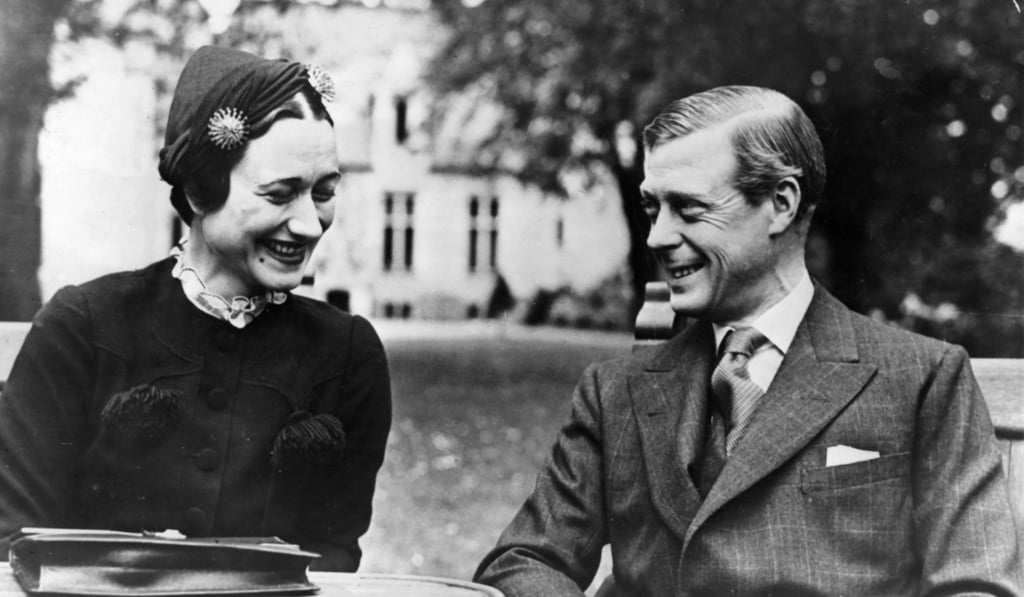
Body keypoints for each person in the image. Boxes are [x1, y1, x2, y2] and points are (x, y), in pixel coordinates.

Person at [474, 86, 1021, 595]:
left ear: (781, 203)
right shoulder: (614, 391)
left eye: (688, 209)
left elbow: (974, 583)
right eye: (652, 208)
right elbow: (525, 558)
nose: (658, 236)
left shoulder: (922, 379)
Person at [0, 46, 392, 572]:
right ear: (200, 191)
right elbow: (16, 545)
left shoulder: (347, 356)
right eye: (280, 194)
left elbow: (334, 558)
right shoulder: (83, 328)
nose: (308, 224)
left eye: (323, 193)